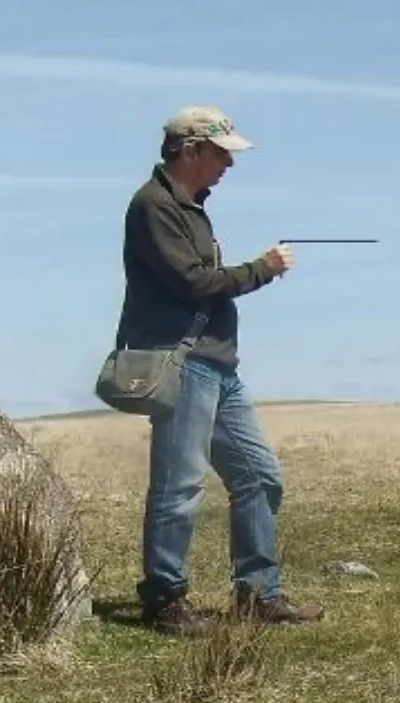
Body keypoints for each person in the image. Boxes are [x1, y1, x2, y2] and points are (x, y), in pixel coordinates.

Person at [113, 105, 325, 636]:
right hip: (182, 363)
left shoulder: (188, 207)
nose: (229, 165)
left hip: (217, 367)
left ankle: (258, 594)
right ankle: (164, 600)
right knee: (179, 486)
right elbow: (192, 283)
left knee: (259, 475)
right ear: (191, 151)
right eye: (222, 153)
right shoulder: (153, 206)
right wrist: (262, 270)